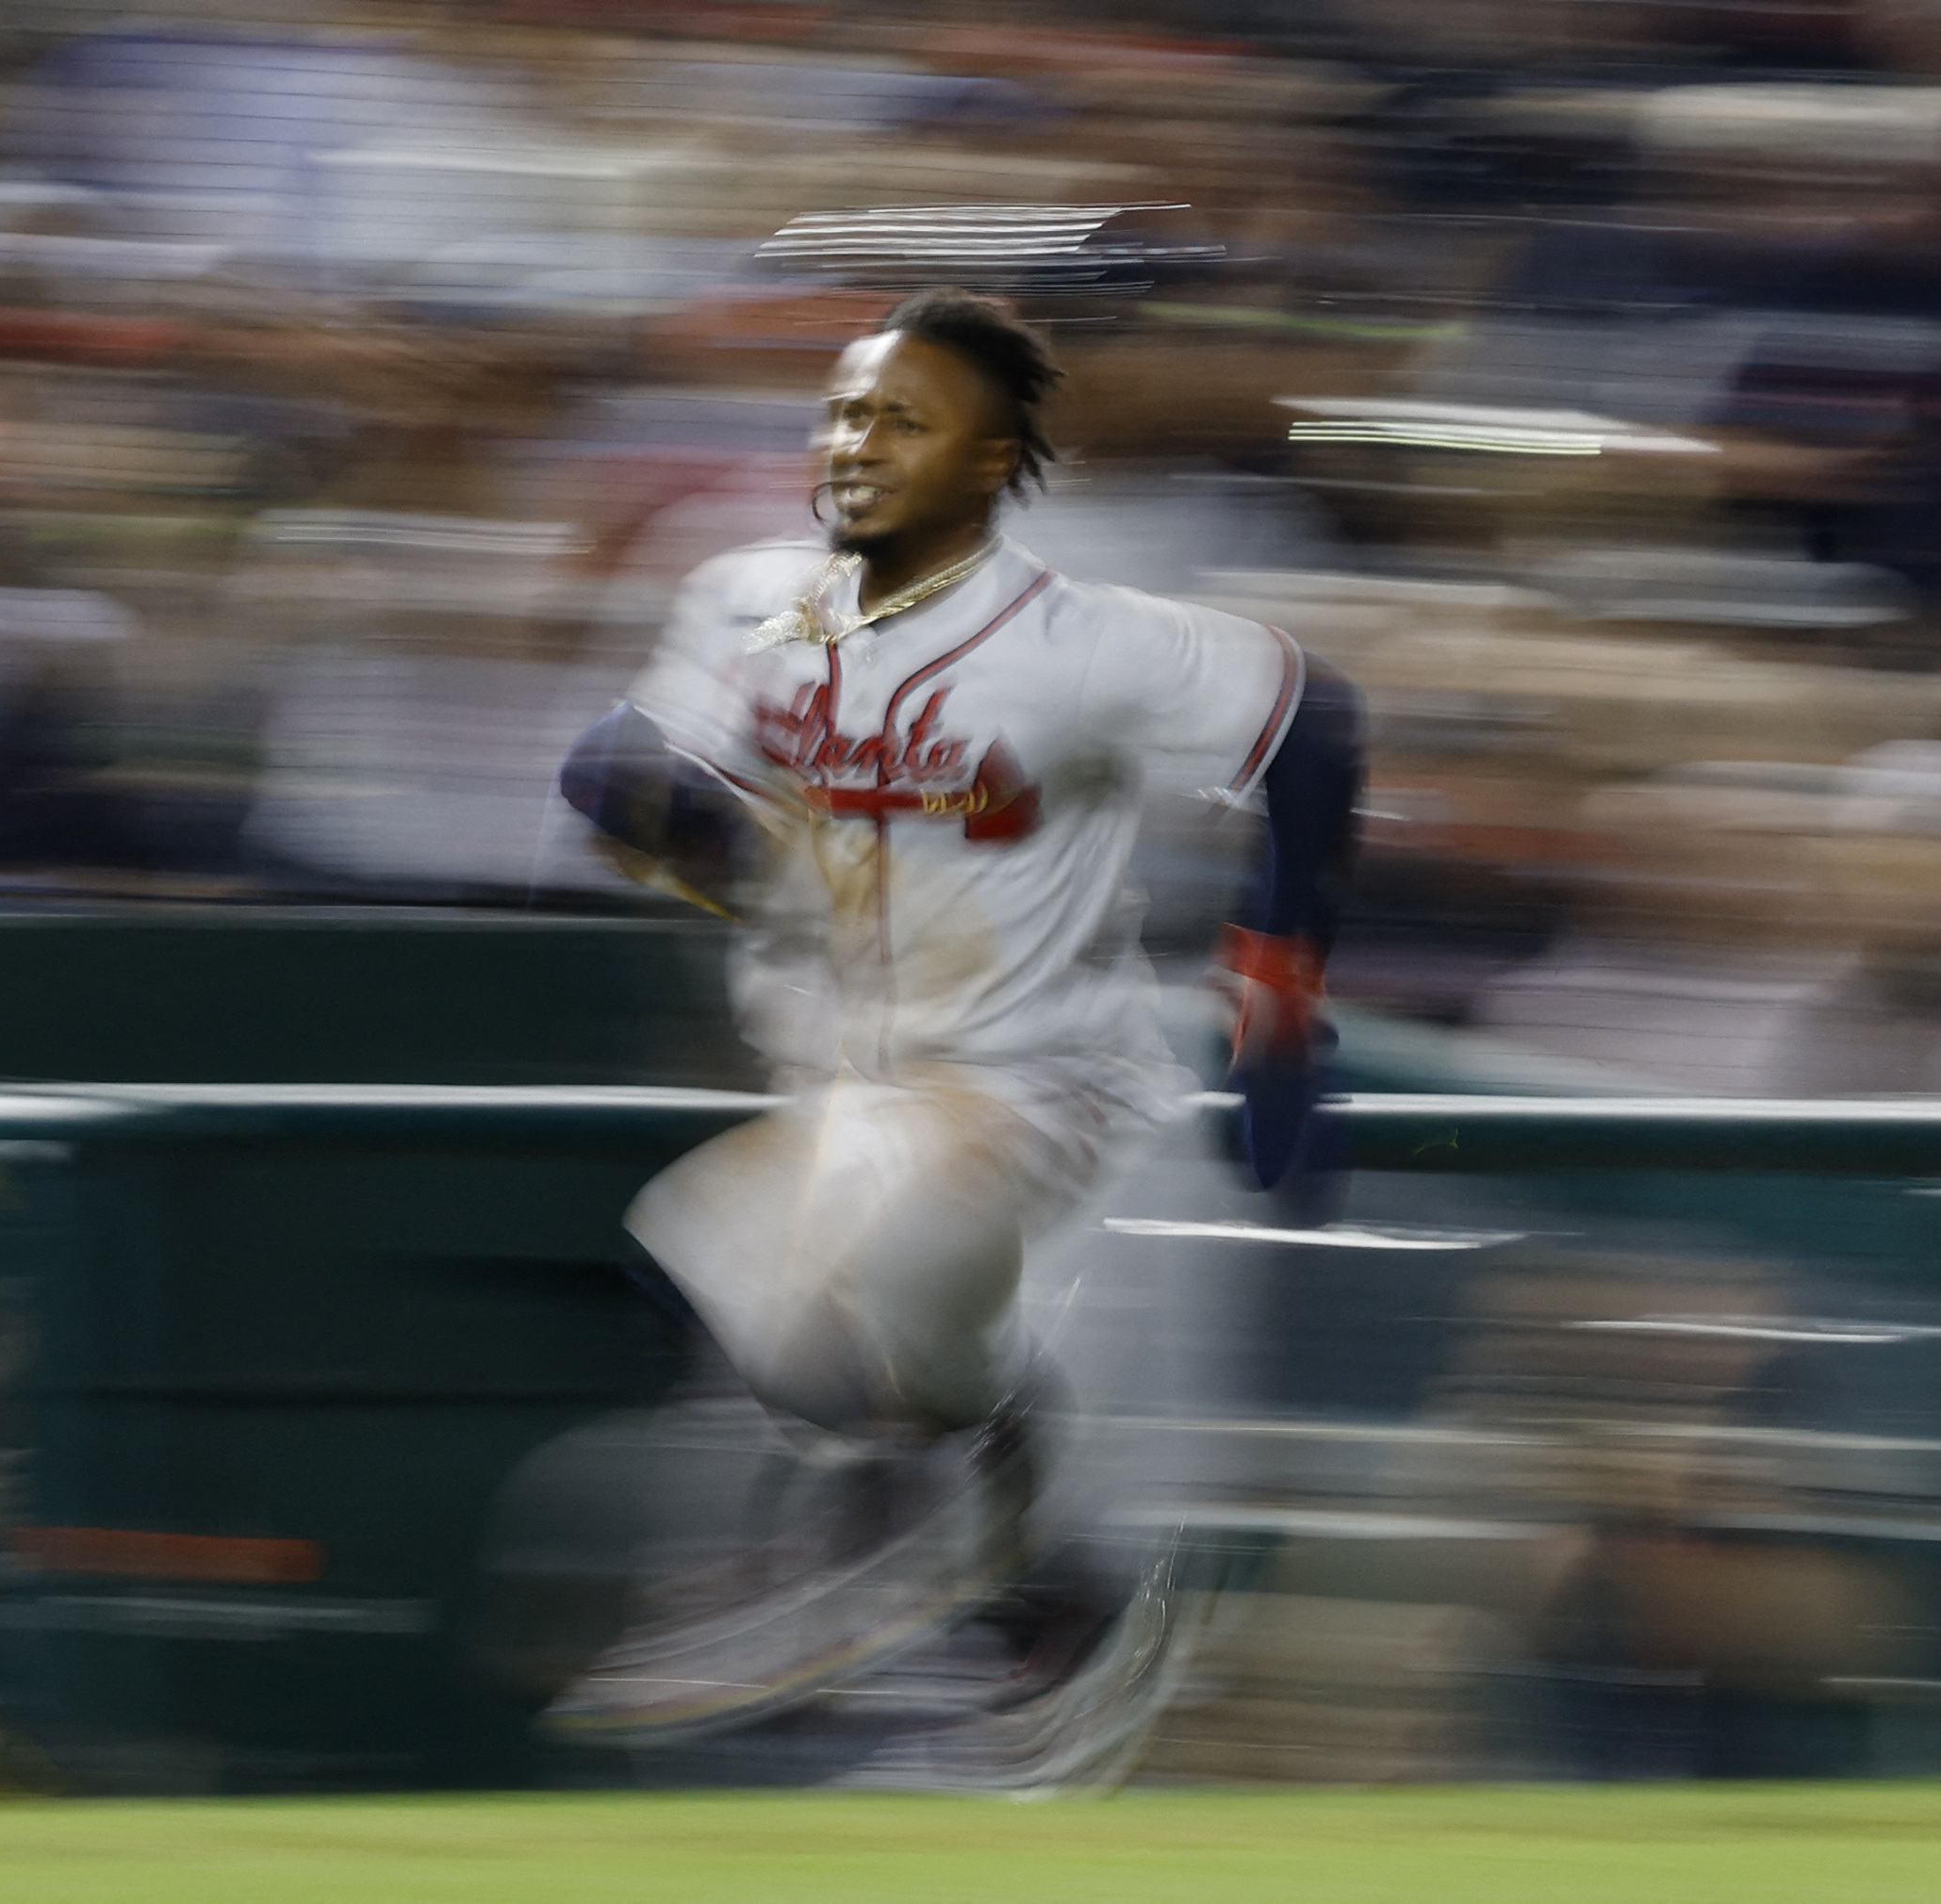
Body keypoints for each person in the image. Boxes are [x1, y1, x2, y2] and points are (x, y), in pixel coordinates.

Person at [549, 287, 1362, 1740]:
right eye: (849, 411)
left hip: (1052, 1066)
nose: (861, 442)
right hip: (848, 1066)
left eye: (906, 420)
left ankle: (956, 1585)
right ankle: (1008, 1584)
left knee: (861, 1323)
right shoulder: (745, 596)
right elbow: (643, 779)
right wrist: (652, 801)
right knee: (725, 1293)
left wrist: (1282, 1000)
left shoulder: (1081, 618)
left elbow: (1312, 727)